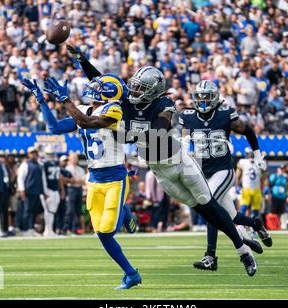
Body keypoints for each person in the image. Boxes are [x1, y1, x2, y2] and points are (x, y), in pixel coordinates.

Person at [68, 46, 258, 276]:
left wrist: (128, 135)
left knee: (209, 204)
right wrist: (82, 60)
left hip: (179, 161)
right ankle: (242, 243)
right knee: (202, 210)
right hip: (159, 171)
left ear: (153, 91)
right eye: (135, 85)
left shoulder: (163, 105)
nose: (133, 89)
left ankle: (243, 252)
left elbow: (159, 128)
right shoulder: (125, 99)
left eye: (140, 87)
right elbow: (101, 82)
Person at [22, 74, 140, 289]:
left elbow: (86, 122)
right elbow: (54, 128)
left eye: (101, 87)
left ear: (111, 92)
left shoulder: (114, 110)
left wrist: (65, 100)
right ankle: (131, 274)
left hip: (115, 177)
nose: (94, 89)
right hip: (94, 178)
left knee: (107, 231)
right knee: (101, 235)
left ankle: (124, 210)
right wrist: (42, 101)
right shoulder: (84, 109)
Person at [180, 80, 271, 271]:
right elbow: (171, 133)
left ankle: (211, 256)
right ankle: (254, 225)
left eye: (206, 97)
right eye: (200, 97)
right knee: (231, 216)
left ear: (214, 98)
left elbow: (248, 130)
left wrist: (257, 155)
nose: (202, 100)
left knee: (209, 203)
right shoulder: (187, 116)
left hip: (223, 170)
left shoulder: (225, 114)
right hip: (202, 173)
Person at [17, 147, 47, 236]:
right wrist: (21, 190)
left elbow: (42, 179)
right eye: (32, 153)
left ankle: (31, 228)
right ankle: (25, 229)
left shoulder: (39, 164)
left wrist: (44, 191)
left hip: (36, 192)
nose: (34, 155)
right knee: (27, 210)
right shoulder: (25, 164)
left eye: (35, 153)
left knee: (34, 211)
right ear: (29, 154)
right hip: (28, 191)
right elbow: (20, 178)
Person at [237, 148, 264, 219]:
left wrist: (265, 186)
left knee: (256, 210)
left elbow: (264, 176)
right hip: (246, 188)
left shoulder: (259, 162)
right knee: (243, 207)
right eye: (249, 153)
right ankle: (240, 225)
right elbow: (238, 176)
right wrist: (237, 186)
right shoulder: (243, 161)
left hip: (256, 189)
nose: (251, 155)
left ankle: (254, 226)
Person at [40, 145, 60, 237]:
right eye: (49, 154)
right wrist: (45, 191)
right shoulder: (44, 164)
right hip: (48, 189)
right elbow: (43, 178)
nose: (51, 155)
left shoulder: (56, 163)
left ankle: (50, 230)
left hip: (55, 189)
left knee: (53, 211)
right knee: (48, 210)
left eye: (52, 154)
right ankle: (47, 230)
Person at [64, 152, 86, 235]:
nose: (74, 160)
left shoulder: (80, 169)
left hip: (78, 189)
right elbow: (66, 180)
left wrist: (75, 181)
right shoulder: (67, 168)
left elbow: (83, 180)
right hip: (71, 190)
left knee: (78, 210)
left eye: (75, 158)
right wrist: (76, 181)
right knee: (70, 210)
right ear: (69, 159)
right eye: (73, 158)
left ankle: (75, 229)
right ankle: (66, 228)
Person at [269, 165, 288, 230]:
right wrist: (277, 176)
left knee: (281, 211)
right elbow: (270, 182)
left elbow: (286, 185)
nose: (282, 170)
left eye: (283, 169)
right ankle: (273, 225)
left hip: (282, 197)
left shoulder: (284, 177)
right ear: (278, 170)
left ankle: (279, 225)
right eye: (281, 169)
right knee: (273, 211)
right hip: (275, 196)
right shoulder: (274, 176)